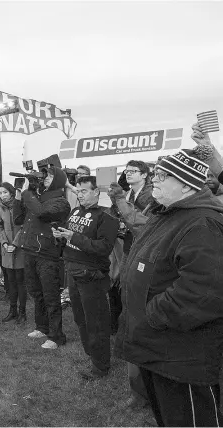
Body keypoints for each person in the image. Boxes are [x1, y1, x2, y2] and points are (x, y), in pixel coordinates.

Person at [117, 149, 223, 427]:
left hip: (181, 358)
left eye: (164, 176)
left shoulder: (203, 222)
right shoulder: (168, 214)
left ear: (187, 184)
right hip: (159, 351)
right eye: (156, 175)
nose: (156, 181)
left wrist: (152, 315)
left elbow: (204, 291)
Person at [53, 176, 119, 380]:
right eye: (78, 192)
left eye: (84, 191)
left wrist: (73, 237)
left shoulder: (107, 216)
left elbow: (103, 248)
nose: (79, 195)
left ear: (97, 192)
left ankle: (101, 367)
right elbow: (70, 239)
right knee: (80, 318)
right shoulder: (75, 211)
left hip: (92, 275)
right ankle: (92, 354)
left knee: (96, 322)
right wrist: (61, 237)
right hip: (73, 271)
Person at [16, 166, 71, 349]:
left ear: (59, 180)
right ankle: (42, 326)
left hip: (47, 254)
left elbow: (43, 213)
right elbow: (18, 219)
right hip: (30, 250)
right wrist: (22, 193)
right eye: (44, 176)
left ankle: (56, 336)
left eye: (50, 176)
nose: (46, 178)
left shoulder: (61, 202)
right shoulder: (37, 197)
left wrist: (27, 193)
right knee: (36, 293)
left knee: (50, 296)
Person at [0, 182, 26, 323]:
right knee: (11, 281)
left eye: (5, 192)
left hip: (20, 248)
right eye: (0, 193)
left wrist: (15, 243)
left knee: (21, 281)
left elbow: (25, 226)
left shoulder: (20, 204)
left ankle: (22, 312)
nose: (2, 195)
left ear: (11, 193)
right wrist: (4, 243)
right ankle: (12, 310)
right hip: (6, 249)